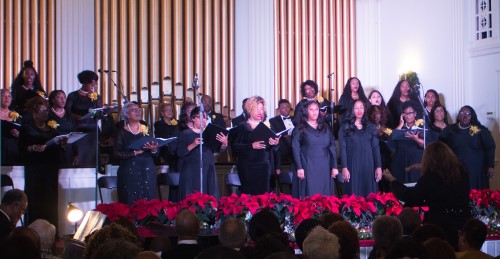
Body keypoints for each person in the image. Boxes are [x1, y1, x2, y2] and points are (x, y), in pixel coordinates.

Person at [383, 141, 472, 250]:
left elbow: (411, 197)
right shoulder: (462, 170)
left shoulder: (432, 176)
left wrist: (393, 181)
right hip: (464, 221)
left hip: (441, 225)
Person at [19, 96, 64, 227]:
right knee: (36, 200)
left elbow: (57, 147)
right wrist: (34, 147)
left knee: (51, 201)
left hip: (50, 168)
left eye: (47, 111)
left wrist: (62, 144)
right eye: (43, 111)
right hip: (35, 169)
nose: (46, 114)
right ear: (34, 113)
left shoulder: (52, 128)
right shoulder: (27, 128)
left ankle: (51, 231)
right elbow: (21, 149)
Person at [230, 96, 280, 195]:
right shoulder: (242, 127)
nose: (260, 112)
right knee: (249, 196)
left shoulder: (268, 127)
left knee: (264, 196)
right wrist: (251, 146)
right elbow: (235, 147)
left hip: (264, 166)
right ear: (249, 109)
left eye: (262, 109)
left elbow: (274, 149)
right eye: (257, 109)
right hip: (247, 166)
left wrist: (275, 143)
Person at [177, 106, 227, 199]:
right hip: (192, 170)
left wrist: (224, 144)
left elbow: (218, 149)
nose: (203, 120)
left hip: (208, 169)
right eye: (200, 117)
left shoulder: (209, 133)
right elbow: (180, 152)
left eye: (205, 118)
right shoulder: (186, 133)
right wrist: (193, 144)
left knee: (208, 197)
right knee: (192, 198)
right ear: (193, 118)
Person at [439, 105, 496, 189]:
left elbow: (490, 146)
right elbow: (440, 145)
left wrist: (490, 166)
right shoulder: (450, 129)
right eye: (462, 113)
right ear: (458, 116)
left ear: (471, 116)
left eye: (468, 114)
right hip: (457, 169)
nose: (465, 116)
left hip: (477, 169)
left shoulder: (477, 129)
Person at [113, 102, 158, 205]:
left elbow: (156, 152)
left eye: (139, 109)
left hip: (147, 169)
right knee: (130, 200)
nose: (138, 111)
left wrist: (154, 149)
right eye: (134, 110)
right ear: (127, 115)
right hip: (129, 171)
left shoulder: (146, 130)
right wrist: (134, 153)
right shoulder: (121, 132)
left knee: (148, 201)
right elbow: (116, 153)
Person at [292, 100, 338, 197]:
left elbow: (332, 147)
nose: (314, 112)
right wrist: (299, 167)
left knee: (325, 194)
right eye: (311, 109)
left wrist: (334, 166)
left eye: (316, 109)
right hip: (308, 165)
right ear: (305, 111)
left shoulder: (326, 127)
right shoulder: (300, 128)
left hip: (325, 166)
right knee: (310, 194)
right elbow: (295, 148)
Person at [339, 99, 382, 196]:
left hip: (368, 164)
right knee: (354, 193)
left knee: (370, 195)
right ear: (352, 110)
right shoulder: (345, 127)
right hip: (352, 164)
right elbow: (342, 149)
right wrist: (344, 167)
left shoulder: (371, 127)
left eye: (361, 107)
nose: (359, 110)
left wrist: (378, 167)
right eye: (356, 108)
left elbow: (375, 148)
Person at [65, 70, 102, 166]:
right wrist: (77, 116)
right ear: (84, 82)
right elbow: (67, 112)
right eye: (91, 82)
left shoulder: (96, 97)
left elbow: (98, 112)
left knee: (93, 157)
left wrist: (102, 112)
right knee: (81, 157)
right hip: (78, 127)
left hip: (92, 129)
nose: (93, 84)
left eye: (95, 82)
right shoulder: (73, 95)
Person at [390, 100, 430, 183]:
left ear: (415, 114)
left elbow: (426, 145)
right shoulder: (400, 129)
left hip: (417, 162)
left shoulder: (422, 129)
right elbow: (391, 139)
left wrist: (416, 139)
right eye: (405, 113)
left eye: (410, 113)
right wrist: (400, 125)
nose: (408, 116)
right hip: (401, 163)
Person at [48, 90, 79, 166]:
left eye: (64, 97)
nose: (63, 100)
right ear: (52, 99)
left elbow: (74, 134)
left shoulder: (70, 115)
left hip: (68, 150)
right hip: (53, 150)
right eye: (59, 97)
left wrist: (76, 153)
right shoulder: (48, 114)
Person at [367, 105, 394, 192]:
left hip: (385, 161)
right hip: (373, 161)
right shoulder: (367, 129)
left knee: (386, 185)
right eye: (373, 113)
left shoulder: (385, 129)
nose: (375, 115)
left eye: (378, 113)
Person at [269, 99, 295, 169]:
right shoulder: (273, 120)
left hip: (295, 147)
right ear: (279, 109)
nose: (286, 109)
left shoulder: (295, 119)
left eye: (287, 107)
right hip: (282, 148)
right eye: (283, 107)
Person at [154, 102, 179, 170]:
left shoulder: (176, 123)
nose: (169, 112)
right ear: (162, 113)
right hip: (164, 151)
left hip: (175, 151)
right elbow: (162, 137)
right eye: (167, 110)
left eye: (171, 110)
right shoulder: (158, 124)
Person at [1, 89, 22, 165]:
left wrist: (18, 135)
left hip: (11, 148)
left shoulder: (16, 116)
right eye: (4, 96)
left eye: (9, 96)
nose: (7, 98)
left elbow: (22, 133)